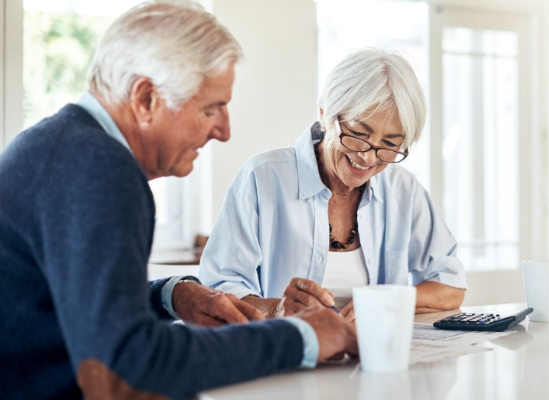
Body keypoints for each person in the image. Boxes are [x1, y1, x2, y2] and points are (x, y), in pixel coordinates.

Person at [0, 2, 356, 399]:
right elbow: (129, 368)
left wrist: (171, 294)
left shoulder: (63, 145)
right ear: (146, 98)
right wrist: (300, 337)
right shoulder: (99, 168)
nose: (224, 130)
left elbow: (77, 302)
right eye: (211, 108)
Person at [200, 49, 467, 320]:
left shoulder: (403, 190)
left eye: (389, 144)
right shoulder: (263, 178)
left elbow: (450, 284)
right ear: (325, 113)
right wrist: (276, 309)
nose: (367, 156)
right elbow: (218, 290)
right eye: (358, 134)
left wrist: (386, 301)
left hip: (377, 355)